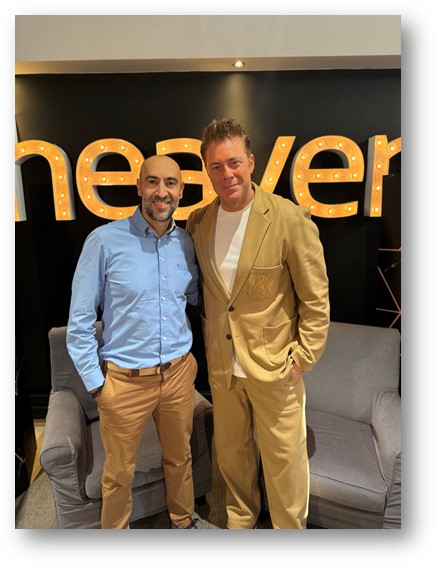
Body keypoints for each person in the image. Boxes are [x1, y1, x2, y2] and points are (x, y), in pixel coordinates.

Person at [186, 118, 330, 529]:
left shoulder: (289, 219)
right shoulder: (199, 223)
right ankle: (241, 521)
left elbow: (315, 298)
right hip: (222, 365)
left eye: (234, 163)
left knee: (285, 460)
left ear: (250, 162)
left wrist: (303, 357)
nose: (226, 174)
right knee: (232, 455)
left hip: (275, 366)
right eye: (216, 166)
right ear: (207, 170)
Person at [67, 155, 219, 530]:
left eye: (170, 183)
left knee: (180, 458)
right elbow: (79, 322)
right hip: (125, 382)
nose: (161, 192)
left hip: (178, 375)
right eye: (152, 182)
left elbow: (196, 297)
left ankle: (183, 521)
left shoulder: (186, 243)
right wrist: (98, 385)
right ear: (139, 187)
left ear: (180, 192)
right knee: (119, 472)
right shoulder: (104, 242)